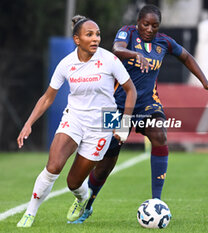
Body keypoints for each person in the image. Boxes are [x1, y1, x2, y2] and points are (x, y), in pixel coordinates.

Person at [72, 4, 208, 224]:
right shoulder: (128, 33)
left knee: (160, 135)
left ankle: (156, 202)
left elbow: (187, 57)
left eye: (155, 25)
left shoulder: (164, 42)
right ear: (138, 22)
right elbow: (116, 48)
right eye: (146, 24)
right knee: (106, 163)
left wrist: (205, 82)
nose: (150, 29)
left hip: (146, 104)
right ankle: (87, 204)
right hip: (117, 106)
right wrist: (135, 54)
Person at [16, 15, 137, 227]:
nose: (95, 39)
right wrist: (28, 123)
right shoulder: (66, 64)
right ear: (76, 39)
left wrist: (124, 124)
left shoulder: (109, 59)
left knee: (73, 182)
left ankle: (82, 198)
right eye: (89, 34)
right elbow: (47, 97)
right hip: (74, 117)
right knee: (53, 166)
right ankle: (30, 212)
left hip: (102, 124)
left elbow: (131, 90)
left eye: (97, 34)